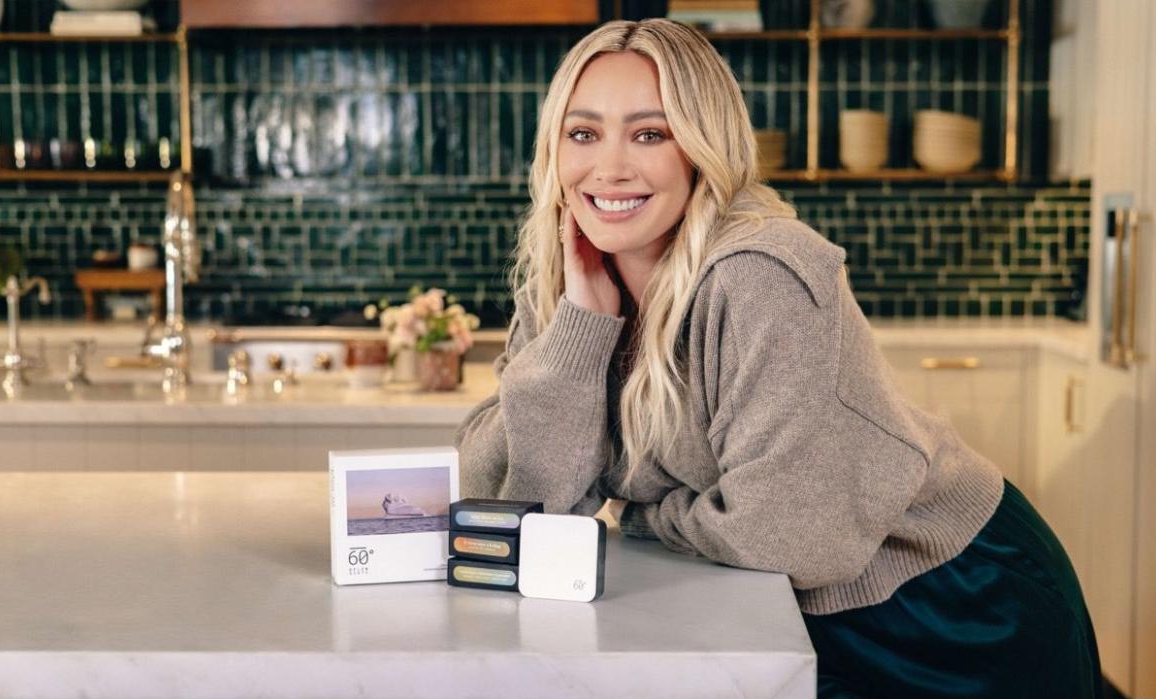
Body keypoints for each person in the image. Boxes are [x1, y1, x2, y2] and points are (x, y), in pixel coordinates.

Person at [455, 18, 1103, 698]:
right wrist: (582, 332)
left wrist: (646, 514)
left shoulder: (764, 273)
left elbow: (790, 537)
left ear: (701, 149)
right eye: (583, 133)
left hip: (951, 602)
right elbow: (502, 505)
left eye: (650, 133)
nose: (609, 167)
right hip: (781, 612)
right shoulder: (569, 281)